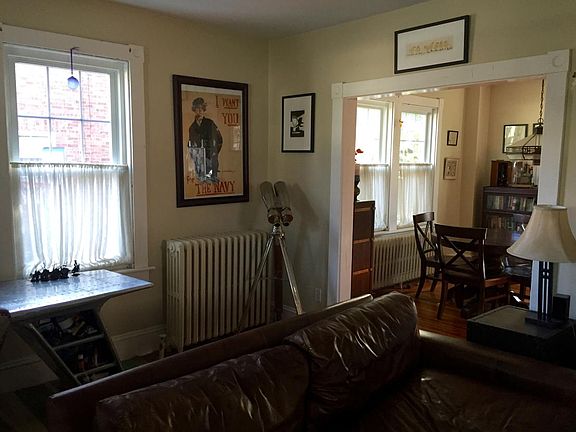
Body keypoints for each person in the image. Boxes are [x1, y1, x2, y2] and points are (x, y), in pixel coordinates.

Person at [188, 97, 223, 182]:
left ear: (204, 109)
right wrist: (195, 156)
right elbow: (190, 144)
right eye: (197, 108)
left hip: (210, 158)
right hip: (199, 161)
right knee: (200, 182)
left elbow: (219, 139)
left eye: (201, 107)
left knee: (212, 181)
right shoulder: (192, 127)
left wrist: (214, 152)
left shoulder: (210, 123)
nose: (200, 110)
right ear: (194, 110)